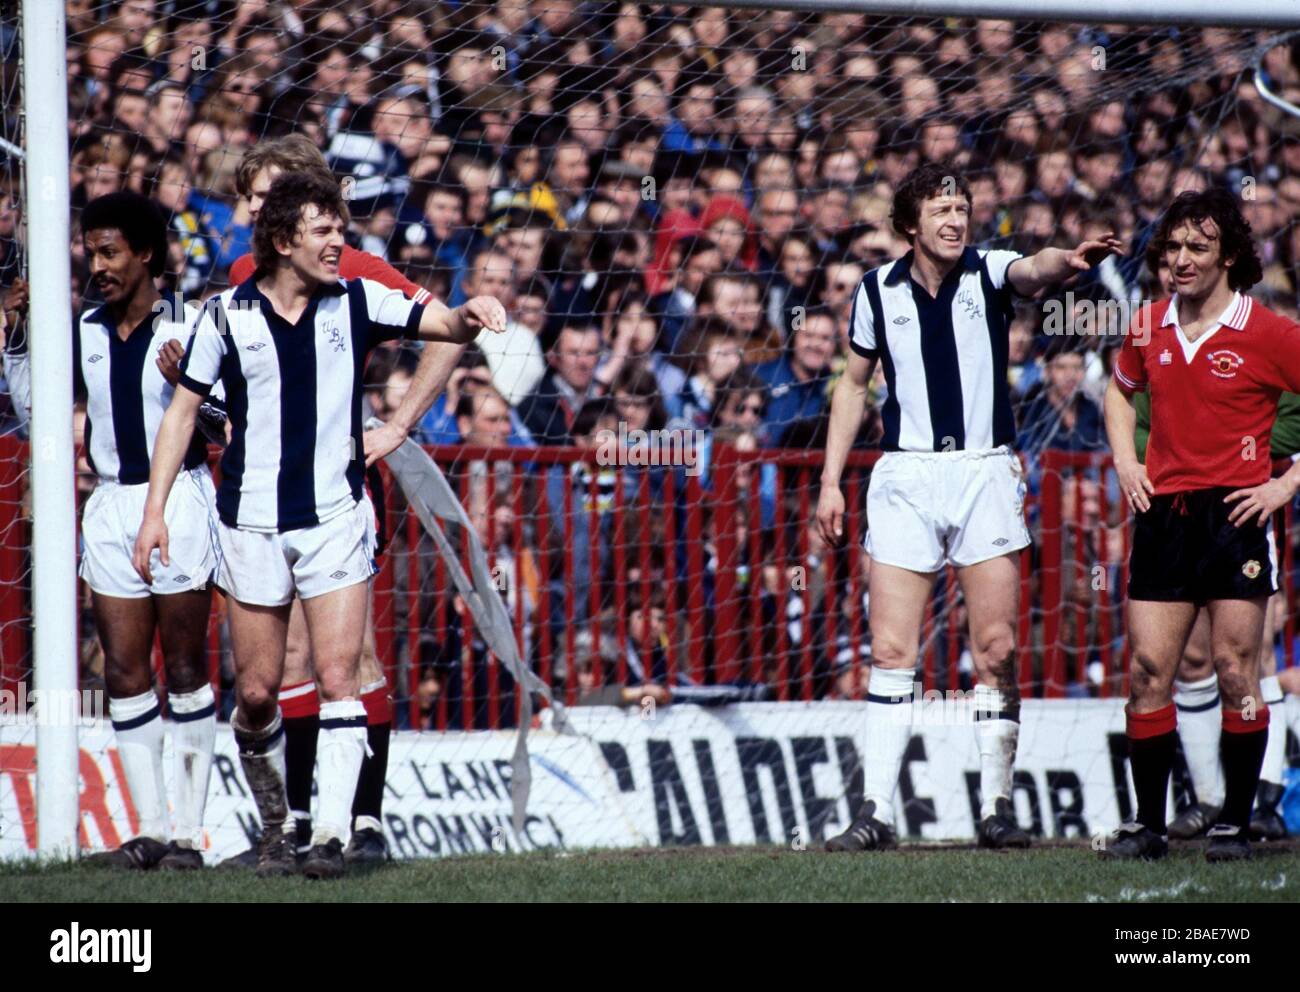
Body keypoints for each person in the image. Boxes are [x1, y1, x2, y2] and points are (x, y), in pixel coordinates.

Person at [133, 171, 506, 879]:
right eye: (325, 229)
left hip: (335, 516)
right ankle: (278, 829)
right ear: (282, 240)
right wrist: (154, 514)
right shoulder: (224, 316)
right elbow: (184, 413)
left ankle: (331, 836)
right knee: (256, 692)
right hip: (248, 524)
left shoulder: (358, 299)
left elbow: (442, 324)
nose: (341, 240)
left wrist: (472, 311)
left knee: (339, 674)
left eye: (342, 227)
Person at [816, 161, 1120, 851]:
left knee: (998, 648)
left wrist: (1067, 261)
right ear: (909, 225)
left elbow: (1034, 270)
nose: (956, 219)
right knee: (891, 649)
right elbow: (852, 386)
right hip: (904, 476)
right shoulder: (874, 291)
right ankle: (874, 813)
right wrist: (832, 481)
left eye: (962, 207)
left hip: (983, 472)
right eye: (941, 208)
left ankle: (996, 807)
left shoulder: (988, 271)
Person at [3, 192, 219, 870]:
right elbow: (37, 400)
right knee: (125, 671)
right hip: (110, 506)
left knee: (183, 667)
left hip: (179, 500)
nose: (97, 265)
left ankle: (190, 833)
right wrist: (13, 332)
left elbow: (226, 422)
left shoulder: (192, 323)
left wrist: (198, 388)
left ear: (146, 253)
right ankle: (150, 829)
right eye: (90, 252)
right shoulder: (83, 330)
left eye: (110, 252)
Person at [1103, 188, 1300, 861]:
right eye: (1173, 249)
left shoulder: (1269, 331)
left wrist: (1285, 483)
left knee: (1235, 671)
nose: (1181, 261)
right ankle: (1149, 828)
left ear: (1229, 257)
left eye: (1198, 248)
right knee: (1149, 669)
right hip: (1164, 514)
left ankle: (1236, 825)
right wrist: (1126, 462)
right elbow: (1118, 391)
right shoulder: (1146, 325)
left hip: (1236, 516)